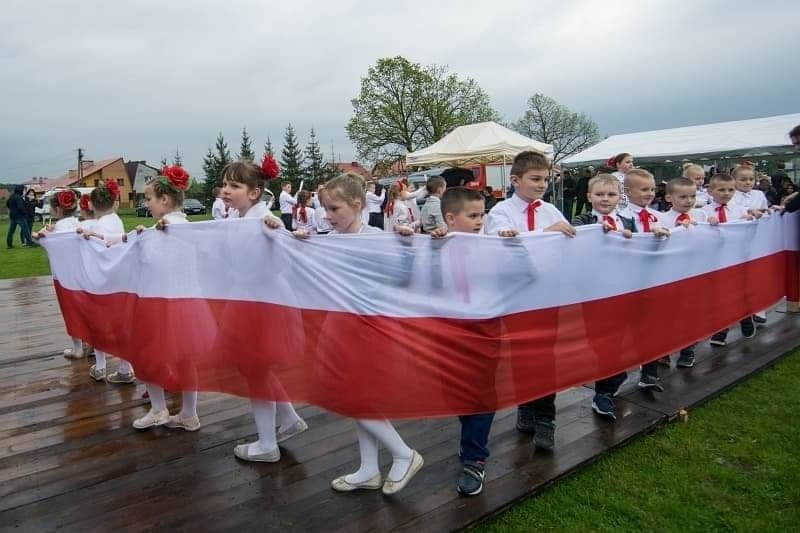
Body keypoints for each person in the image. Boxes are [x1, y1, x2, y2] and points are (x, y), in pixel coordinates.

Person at [267, 172, 423, 495]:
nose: (327, 215)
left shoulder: (378, 239)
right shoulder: (329, 240)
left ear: (357, 205)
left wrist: (407, 247)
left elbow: (402, 279)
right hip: (340, 330)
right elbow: (301, 274)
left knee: (353, 399)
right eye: (325, 208)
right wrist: (284, 238)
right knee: (357, 397)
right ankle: (368, 469)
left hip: (369, 331)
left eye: (334, 209)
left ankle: (403, 454)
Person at [484, 150, 576, 451]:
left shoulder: (551, 210)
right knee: (523, 356)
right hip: (518, 298)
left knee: (547, 357)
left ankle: (546, 419)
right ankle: (526, 405)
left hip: (547, 296)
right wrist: (545, 234)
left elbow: (569, 242)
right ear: (515, 180)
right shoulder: (501, 212)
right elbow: (502, 243)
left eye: (545, 179)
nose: (542, 185)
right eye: (535, 179)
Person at [220, 160, 308, 463]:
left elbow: (283, 259)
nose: (226, 191)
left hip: (262, 307)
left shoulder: (264, 220)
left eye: (234, 186)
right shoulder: (240, 217)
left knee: (255, 370)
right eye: (225, 184)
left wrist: (278, 230)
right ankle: (288, 418)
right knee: (256, 368)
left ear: (255, 192)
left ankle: (267, 443)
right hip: (248, 300)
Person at [427, 187, 496, 496]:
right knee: (455, 391)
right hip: (449, 333)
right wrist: (430, 243)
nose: (480, 221)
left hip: (485, 330)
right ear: (451, 218)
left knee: (482, 395)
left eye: (482, 215)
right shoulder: (435, 247)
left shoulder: (492, 245)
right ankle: (471, 437)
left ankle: (474, 457)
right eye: (473, 216)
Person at [129, 167, 201, 432]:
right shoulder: (181, 227)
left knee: (147, 354)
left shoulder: (165, 229)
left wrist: (142, 242)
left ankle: (159, 408)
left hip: (161, 304)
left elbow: (153, 262)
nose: (146, 204)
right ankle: (188, 412)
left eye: (148, 198)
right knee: (185, 359)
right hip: (187, 304)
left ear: (164, 200)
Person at [571, 174, 633, 420]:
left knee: (617, 342)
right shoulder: (583, 219)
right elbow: (574, 236)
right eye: (599, 194)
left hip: (622, 291)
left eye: (611, 194)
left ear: (619, 197)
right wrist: (595, 231)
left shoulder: (628, 222)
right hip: (593, 294)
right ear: (589, 197)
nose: (605, 199)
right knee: (598, 343)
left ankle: (605, 390)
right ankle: (606, 387)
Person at [78, 180, 136, 384]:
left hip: (99, 283)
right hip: (121, 281)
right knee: (121, 325)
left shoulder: (93, 226)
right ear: (115, 202)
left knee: (98, 324)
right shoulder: (116, 220)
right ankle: (125, 366)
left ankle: (101, 365)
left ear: (91, 205)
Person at [621, 169, 671, 391]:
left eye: (652, 189)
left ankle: (649, 373)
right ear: (628, 191)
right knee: (625, 331)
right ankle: (615, 377)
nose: (650, 193)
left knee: (653, 327)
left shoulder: (658, 216)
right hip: (629, 283)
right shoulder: (621, 216)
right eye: (644, 189)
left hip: (653, 282)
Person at [657, 177, 710, 369]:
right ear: (669, 197)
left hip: (693, 273)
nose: (689, 201)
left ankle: (687, 349)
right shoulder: (660, 218)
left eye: (693, 196)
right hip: (669, 275)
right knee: (667, 315)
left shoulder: (702, 216)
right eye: (683, 196)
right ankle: (663, 350)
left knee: (689, 313)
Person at [701, 173, 757, 347]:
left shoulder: (740, 210)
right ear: (710, 191)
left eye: (731, 189)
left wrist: (750, 218)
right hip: (715, 262)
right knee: (719, 297)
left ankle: (745, 318)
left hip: (737, 260)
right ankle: (721, 329)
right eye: (721, 189)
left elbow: (750, 228)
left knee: (740, 293)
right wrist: (706, 221)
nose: (726, 193)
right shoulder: (703, 211)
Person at [32, 190, 85, 359]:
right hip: (83, 275)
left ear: (58, 209)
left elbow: (36, 238)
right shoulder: (81, 225)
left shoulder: (54, 230)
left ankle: (77, 347)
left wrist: (42, 232)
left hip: (63, 278)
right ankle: (92, 344)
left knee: (70, 310)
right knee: (85, 309)